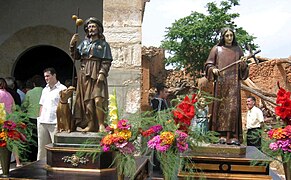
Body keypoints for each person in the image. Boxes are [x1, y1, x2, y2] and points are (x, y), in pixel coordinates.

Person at [204, 27, 249, 145]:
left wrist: (243, 64)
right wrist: (213, 69)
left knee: (233, 109)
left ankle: (233, 136)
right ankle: (220, 135)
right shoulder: (216, 49)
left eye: (231, 35)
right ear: (223, 37)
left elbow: (243, 69)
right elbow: (208, 64)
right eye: (227, 35)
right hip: (221, 85)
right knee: (220, 110)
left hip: (233, 85)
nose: (229, 38)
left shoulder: (238, 50)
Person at [69, 17, 113, 132]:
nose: (91, 29)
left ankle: (101, 124)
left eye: (93, 26)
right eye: (89, 27)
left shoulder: (103, 44)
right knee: (87, 101)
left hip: (97, 71)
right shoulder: (84, 43)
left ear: (98, 29)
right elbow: (76, 56)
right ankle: (90, 124)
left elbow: (107, 61)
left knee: (98, 99)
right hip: (85, 73)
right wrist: (72, 45)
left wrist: (102, 73)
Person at [37, 68, 66, 160]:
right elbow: (41, 105)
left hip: (55, 122)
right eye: (45, 76)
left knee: (57, 148)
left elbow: (65, 107)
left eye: (48, 76)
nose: (46, 78)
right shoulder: (44, 89)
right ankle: (39, 168)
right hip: (43, 122)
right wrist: (39, 118)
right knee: (42, 149)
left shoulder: (62, 89)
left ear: (54, 75)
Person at [0, 78, 22, 167]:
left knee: (2, 142)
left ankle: (2, 164)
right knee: (14, 142)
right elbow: (14, 108)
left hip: (2, 120)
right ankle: (18, 162)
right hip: (11, 121)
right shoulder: (9, 94)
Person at [22, 75, 44, 161]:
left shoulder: (29, 93)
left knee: (31, 138)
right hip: (41, 117)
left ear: (33, 84)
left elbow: (24, 105)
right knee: (41, 138)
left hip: (31, 117)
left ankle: (31, 157)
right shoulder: (45, 91)